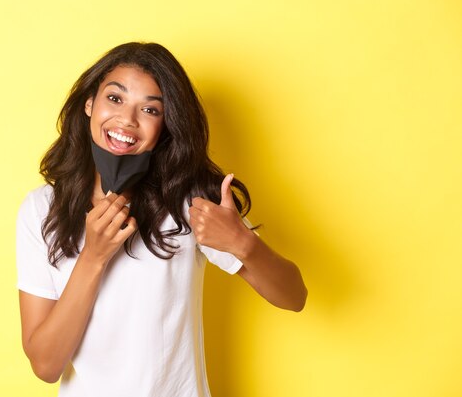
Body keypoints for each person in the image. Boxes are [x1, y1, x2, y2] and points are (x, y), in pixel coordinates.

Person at [16, 42, 307, 397]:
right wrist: (93, 257)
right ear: (89, 104)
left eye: (150, 109)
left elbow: (294, 297)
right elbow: (45, 366)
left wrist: (242, 243)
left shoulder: (190, 201)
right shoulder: (41, 209)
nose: (127, 119)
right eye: (115, 98)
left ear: (166, 124)